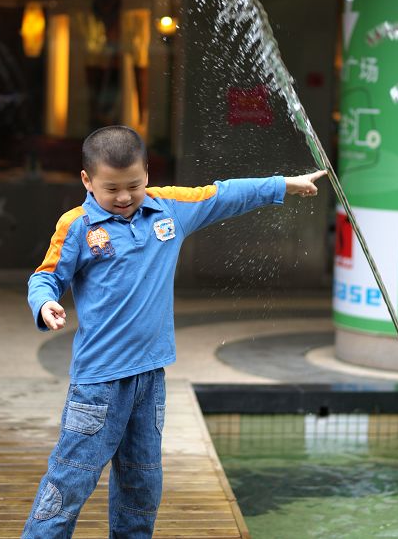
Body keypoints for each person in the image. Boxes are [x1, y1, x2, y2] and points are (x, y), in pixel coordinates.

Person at [21, 125, 327, 538]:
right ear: (87, 181)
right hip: (98, 384)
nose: (124, 197)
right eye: (111, 189)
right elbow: (45, 277)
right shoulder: (77, 225)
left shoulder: (169, 208)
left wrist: (283, 185)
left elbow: (222, 194)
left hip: (150, 378)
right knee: (70, 480)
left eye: (134, 185)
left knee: (142, 484)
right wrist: (45, 303)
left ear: (147, 172)